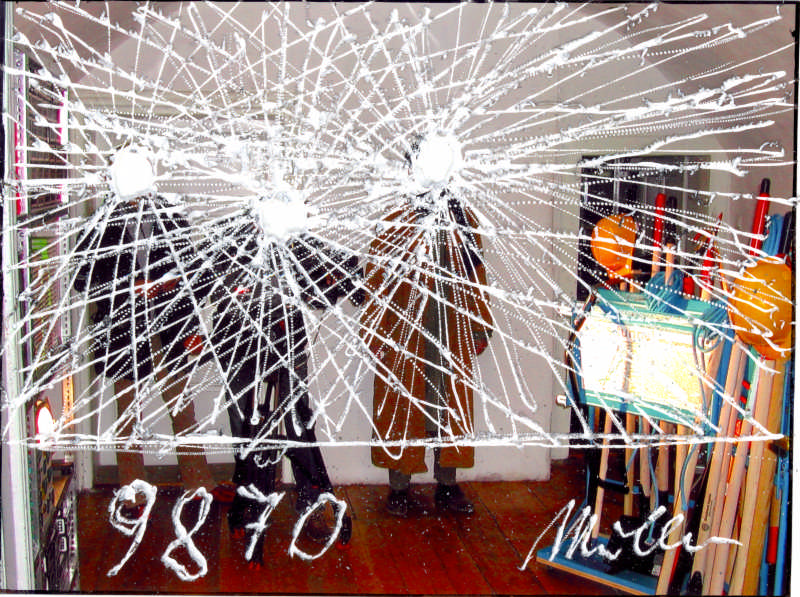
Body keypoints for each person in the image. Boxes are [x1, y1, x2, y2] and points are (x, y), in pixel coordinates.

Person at [202, 214, 361, 561]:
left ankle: (312, 504)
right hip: (237, 343)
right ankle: (248, 503)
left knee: (297, 425)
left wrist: (336, 279)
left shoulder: (296, 238)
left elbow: (324, 293)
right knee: (246, 428)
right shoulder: (230, 237)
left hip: (287, 340)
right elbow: (204, 284)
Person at [72, 182, 217, 511]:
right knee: (128, 417)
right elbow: (83, 280)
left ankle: (198, 485)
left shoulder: (171, 218)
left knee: (183, 411)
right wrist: (129, 287)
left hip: (169, 330)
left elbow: (194, 275)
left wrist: (172, 287)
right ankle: (133, 493)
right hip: (124, 334)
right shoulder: (100, 223)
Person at [360, 188, 493, 517]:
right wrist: (375, 331)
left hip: (451, 332)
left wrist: (479, 326)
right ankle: (399, 487)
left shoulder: (463, 219)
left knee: (448, 410)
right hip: (405, 333)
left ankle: (447, 484)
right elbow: (376, 276)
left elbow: (476, 276)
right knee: (403, 410)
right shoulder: (395, 219)